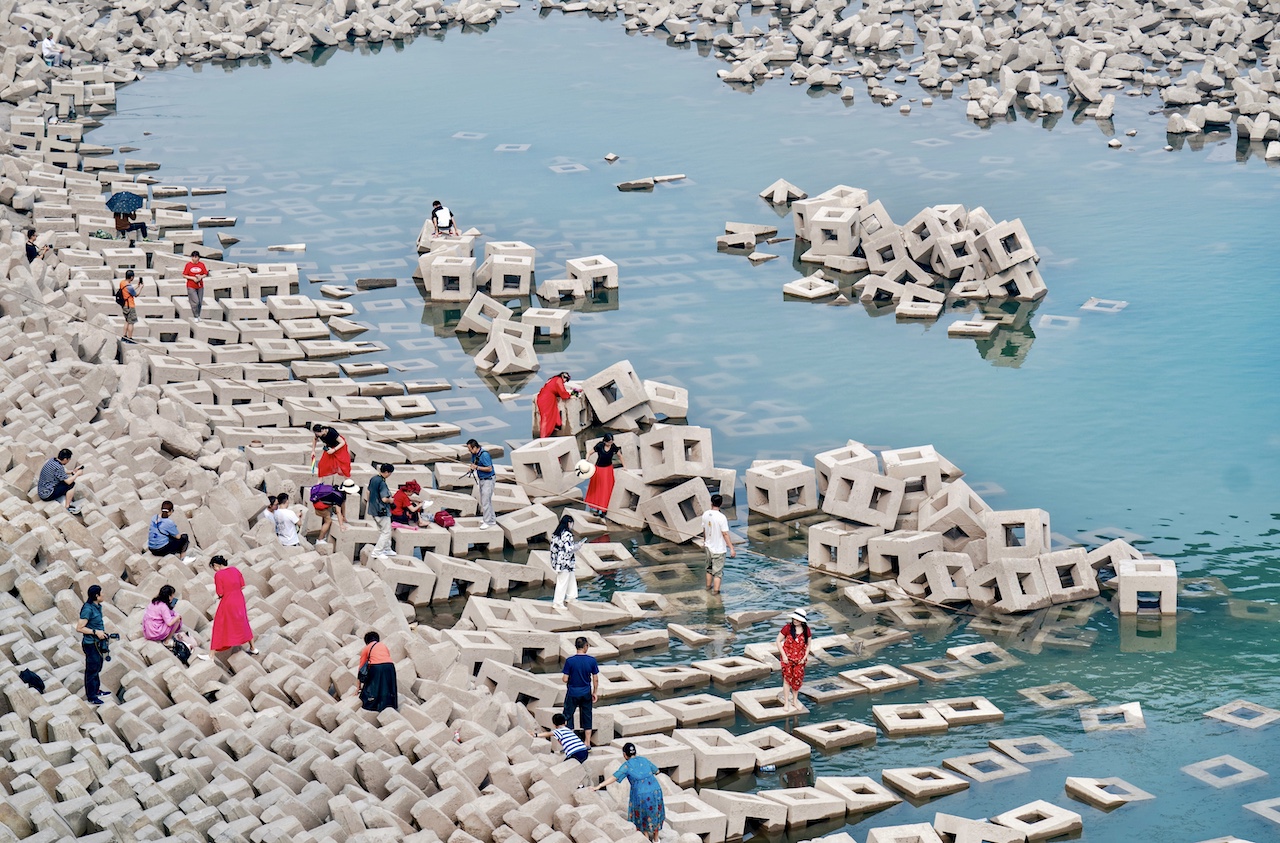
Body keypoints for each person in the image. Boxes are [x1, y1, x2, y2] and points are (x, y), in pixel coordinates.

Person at [591, 743, 665, 842]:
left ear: (625, 755)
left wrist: (599, 786)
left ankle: (646, 837)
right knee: (656, 811)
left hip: (640, 793)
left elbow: (614, 777)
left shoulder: (627, 766)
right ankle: (656, 839)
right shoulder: (644, 759)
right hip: (656, 790)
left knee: (642, 814)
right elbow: (656, 771)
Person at [209, 556, 258, 656]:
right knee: (243, 622)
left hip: (228, 601)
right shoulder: (235, 570)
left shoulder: (218, 575)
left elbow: (220, 593)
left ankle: (211, 655)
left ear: (216, 565)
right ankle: (253, 647)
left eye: (213, 567)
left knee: (219, 625)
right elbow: (243, 585)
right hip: (239, 600)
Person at [142, 585, 201, 656]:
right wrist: (178, 617)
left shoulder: (154, 602)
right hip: (155, 632)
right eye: (172, 595)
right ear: (169, 596)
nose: (173, 596)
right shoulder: (163, 606)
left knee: (173, 616)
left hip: (148, 631)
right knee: (177, 620)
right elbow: (169, 623)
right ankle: (167, 640)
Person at [562, 636, 599, 747]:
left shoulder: (570, 661)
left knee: (568, 715)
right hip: (586, 692)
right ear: (585, 646)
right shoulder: (592, 661)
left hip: (572, 692)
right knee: (587, 716)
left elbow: (565, 679)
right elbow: (595, 678)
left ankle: (570, 741)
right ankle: (587, 743)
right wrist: (595, 692)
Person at [75, 584, 109, 704]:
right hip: (91, 644)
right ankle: (91, 697)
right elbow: (79, 628)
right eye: (101, 593)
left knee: (98, 667)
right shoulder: (88, 609)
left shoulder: (97, 606)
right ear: (96, 595)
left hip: (98, 643)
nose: (103, 594)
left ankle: (97, 690)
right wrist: (95, 632)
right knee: (91, 670)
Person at [776, 608, 813, 712]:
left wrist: (805, 656)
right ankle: (787, 702)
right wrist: (784, 656)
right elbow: (778, 641)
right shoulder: (787, 628)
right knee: (787, 680)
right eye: (794, 618)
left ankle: (795, 700)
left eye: (797, 619)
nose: (795, 620)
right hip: (787, 658)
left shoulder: (806, 630)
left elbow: (809, 644)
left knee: (797, 680)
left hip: (800, 660)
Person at [550, 515, 587, 609]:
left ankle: (571, 596)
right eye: (572, 523)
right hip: (565, 562)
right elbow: (568, 548)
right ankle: (558, 603)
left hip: (559, 561)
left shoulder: (556, 534)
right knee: (562, 582)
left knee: (570, 578)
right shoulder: (567, 534)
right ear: (569, 523)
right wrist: (578, 546)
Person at [700, 493, 735, 595]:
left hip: (708, 547)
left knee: (709, 569)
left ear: (711, 502)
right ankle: (716, 593)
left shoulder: (705, 514)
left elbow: (704, 529)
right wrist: (732, 548)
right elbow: (725, 533)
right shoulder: (721, 517)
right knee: (718, 573)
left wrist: (705, 541)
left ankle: (707, 588)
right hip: (718, 549)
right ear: (721, 503)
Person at [356, 631, 398, 711]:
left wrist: (358, 687)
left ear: (366, 641)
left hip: (376, 666)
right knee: (388, 686)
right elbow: (386, 658)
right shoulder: (383, 646)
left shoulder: (367, 648)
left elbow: (361, 669)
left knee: (373, 685)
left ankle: (373, 705)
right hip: (390, 666)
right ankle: (390, 705)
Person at [37, 449, 82, 513]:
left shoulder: (52, 460)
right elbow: (68, 482)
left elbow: (60, 473)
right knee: (71, 485)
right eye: (69, 459)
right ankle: (67, 507)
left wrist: (73, 472)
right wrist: (77, 474)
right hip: (47, 494)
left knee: (65, 481)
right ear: (65, 459)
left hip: (42, 490)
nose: (69, 461)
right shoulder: (59, 467)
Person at [584, 433, 618, 516]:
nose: (610, 443)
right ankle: (597, 508)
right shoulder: (600, 445)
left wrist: (625, 466)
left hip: (608, 470)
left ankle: (604, 510)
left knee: (606, 489)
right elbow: (589, 453)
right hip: (599, 469)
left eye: (611, 442)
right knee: (598, 489)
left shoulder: (613, 446)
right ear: (605, 441)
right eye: (609, 442)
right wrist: (586, 460)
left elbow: (620, 455)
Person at [535, 372, 575, 439]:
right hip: (547, 399)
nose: (565, 382)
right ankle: (544, 436)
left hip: (543, 397)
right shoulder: (558, 380)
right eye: (566, 380)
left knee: (547, 416)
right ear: (563, 377)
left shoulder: (553, 379)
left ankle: (545, 434)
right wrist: (570, 395)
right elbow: (562, 392)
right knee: (546, 417)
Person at [368, 463, 395, 558]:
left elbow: (369, 492)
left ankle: (387, 549)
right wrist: (391, 500)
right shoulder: (382, 483)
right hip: (381, 510)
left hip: (373, 509)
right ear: (387, 472)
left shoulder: (374, 479)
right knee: (386, 532)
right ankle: (377, 552)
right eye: (390, 473)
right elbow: (384, 499)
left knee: (382, 530)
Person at [467, 439, 496, 527]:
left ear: (475, 447)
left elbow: (489, 468)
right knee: (486, 500)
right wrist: (471, 468)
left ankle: (487, 522)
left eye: (470, 449)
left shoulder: (485, 455)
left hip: (488, 479)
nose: (469, 451)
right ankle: (491, 519)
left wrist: (477, 468)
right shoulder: (474, 454)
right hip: (482, 479)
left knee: (485, 501)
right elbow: (473, 463)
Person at [118, 270, 143, 343]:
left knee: (126, 321)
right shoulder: (129, 286)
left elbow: (129, 290)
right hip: (130, 306)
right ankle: (130, 338)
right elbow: (136, 295)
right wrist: (141, 288)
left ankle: (124, 336)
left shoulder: (122, 283)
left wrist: (137, 286)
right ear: (131, 277)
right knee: (131, 323)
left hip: (124, 305)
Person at [182, 250, 207, 321]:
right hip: (191, 286)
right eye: (193, 257)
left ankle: (198, 315)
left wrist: (200, 277)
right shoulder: (188, 265)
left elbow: (205, 273)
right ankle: (195, 316)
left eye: (196, 257)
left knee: (199, 302)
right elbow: (184, 275)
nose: (194, 258)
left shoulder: (201, 265)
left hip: (200, 286)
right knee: (195, 302)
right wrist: (192, 278)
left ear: (198, 258)